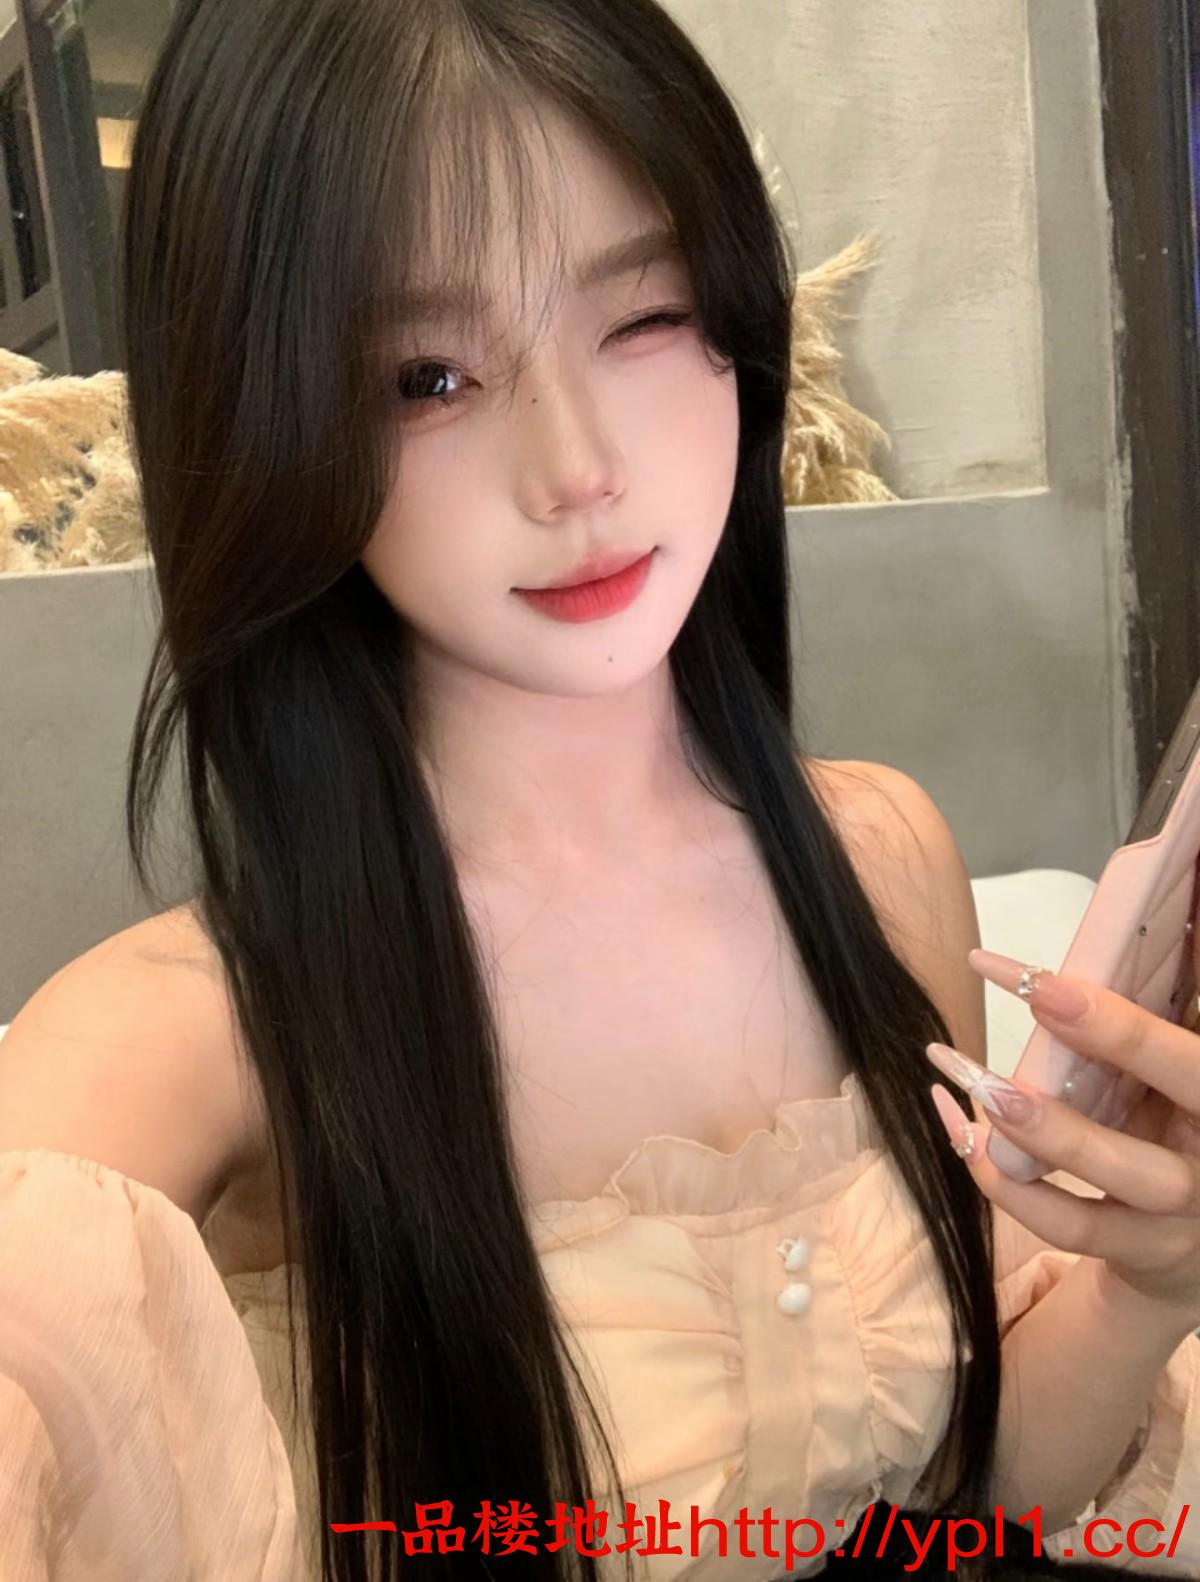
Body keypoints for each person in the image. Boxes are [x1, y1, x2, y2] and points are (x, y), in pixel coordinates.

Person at [0, 0, 1198, 1578]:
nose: (577, 468)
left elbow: (961, 1489)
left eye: (641, 316)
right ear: (267, 422)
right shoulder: (188, 1036)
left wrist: (1145, 1282)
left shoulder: (876, 854)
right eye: (426, 377)